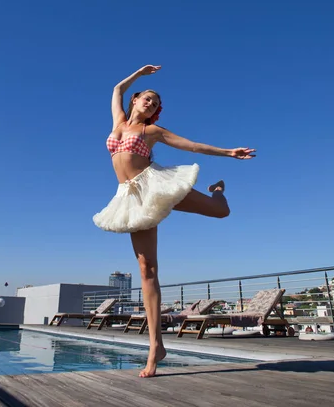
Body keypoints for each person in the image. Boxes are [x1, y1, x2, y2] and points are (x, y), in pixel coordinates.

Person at [93, 65, 256, 377]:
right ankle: (156, 345)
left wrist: (228, 152)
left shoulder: (151, 132)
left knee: (220, 211)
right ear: (136, 99)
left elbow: (191, 145)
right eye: (148, 99)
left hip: (155, 185)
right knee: (146, 269)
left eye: (156, 103)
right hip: (131, 198)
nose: (151, 104)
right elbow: (116, 89)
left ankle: (218, 191)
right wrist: (139, 73)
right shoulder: (117, 123)